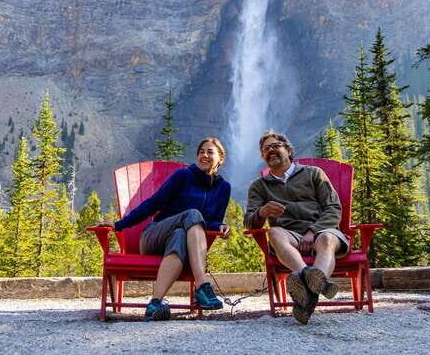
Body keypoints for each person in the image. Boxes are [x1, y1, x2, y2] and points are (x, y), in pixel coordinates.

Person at [103, 137, 231, 321]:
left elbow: (211, 222)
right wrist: (118, 225)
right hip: (153, 237)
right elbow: (153, 203)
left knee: (180, 235)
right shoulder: (183, 176)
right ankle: (202, 285)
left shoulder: (223, 188)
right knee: (193, 214)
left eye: (210, 152)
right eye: (201, 151)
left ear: (220, 158)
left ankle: (154, 304)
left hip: (180, 243)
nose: (204, 155)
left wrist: (220, 225)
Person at [244, 130, 349, 325]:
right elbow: (249, 221)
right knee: (274, 232)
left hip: (323, 231)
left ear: (288, 150)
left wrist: (313, 231)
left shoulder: (314, 173)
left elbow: (333, 208)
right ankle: (309, 277)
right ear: (262, 156)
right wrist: (263, 212)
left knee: (326, 239)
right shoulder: (259, 186)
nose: (271, 151)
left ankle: (307, 293)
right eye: (266, 149)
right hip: (289, 235)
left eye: (276, 146)